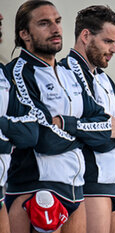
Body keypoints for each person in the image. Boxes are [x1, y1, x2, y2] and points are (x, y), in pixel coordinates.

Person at [5, 1, 115, 233]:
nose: (56, 29)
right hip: (36, 188)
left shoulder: (69, 74)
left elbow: (103, 124)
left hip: (75, 190)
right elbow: (42, 136)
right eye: (44, 23)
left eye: (57, 21)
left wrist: (68, 125)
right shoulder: (19, 72)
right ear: (24, 33)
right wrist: (82, 136)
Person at [61, 5, 115, 233]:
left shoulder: (106, 81)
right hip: (88, 185)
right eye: (108, 41)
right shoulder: (64, 73)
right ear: (86, 36)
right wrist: (114, 130)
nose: (114, 49)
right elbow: (88, 132)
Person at [0, 63, 39, 233]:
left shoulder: (2, 72)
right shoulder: (16, 70)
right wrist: (7, 141)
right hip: (21, 186)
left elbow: (30, 134)